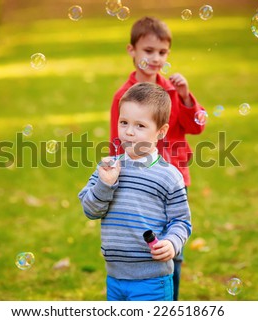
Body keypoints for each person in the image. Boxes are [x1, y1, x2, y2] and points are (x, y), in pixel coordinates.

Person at [109, 16, 206, 300]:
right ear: (132, 51)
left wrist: (187, 97)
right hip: (138, 183)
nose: (155, 58)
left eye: (162, 52)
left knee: (173, 250)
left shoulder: (174, 91)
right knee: (145, 248)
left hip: (172, 177)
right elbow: (118, 139)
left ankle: (169, 304)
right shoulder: (123, 95)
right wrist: (115, 171)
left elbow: (196, 126)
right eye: (148, 51)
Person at [79, 82, 191, 301]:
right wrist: (105, 184)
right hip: (115, 277)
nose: (129, 132)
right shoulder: (109, 167)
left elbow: (181, 222)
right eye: (124, 122)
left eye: (140, 126)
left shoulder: (169, 176)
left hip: (152, 280)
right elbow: (90, 210)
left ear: (161, 132)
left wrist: (171, 243)